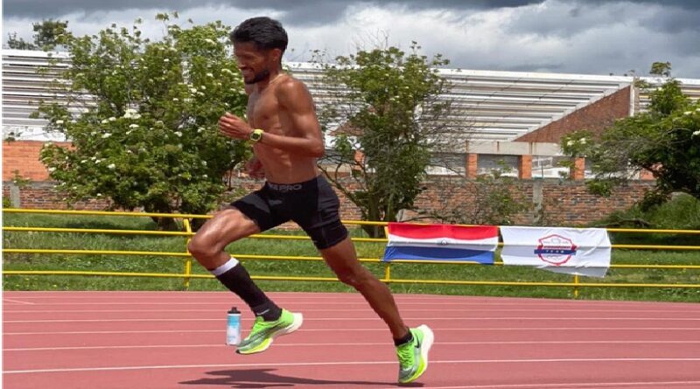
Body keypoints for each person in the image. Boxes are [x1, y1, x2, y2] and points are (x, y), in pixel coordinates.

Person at [187, 16, 433, 384]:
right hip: (274, 194)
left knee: (352, 275)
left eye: (248, 56)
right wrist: (259, 156)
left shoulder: (291, 88)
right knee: (203, 246)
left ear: (274, 54)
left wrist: (251, 134)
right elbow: (276, 134)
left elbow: (316, 147)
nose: (241, 63)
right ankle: (270, 314)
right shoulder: (252, 87)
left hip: (310, 197)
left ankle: (406, 337)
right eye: (237, 55)